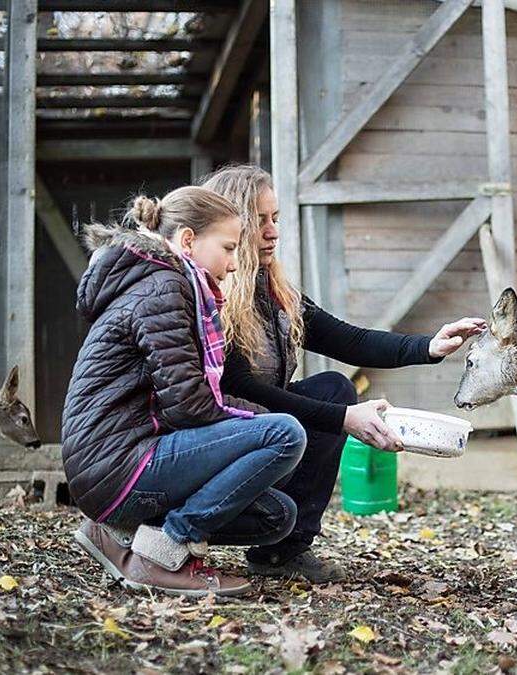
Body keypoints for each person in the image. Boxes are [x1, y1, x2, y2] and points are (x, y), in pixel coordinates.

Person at [201, 165, 486, 583]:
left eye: (275, 219)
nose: (272, 231)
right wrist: (342, 418)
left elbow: (349, 342)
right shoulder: (212, 295)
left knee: (335, 387)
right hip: (218, 441)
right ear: (231, 223)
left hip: (264, 432)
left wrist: (429, 345)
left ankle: (283, 552)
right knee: (333, 402)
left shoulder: (276, 293)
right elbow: (241, 386)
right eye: (259, 220)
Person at [61, 186, 308, 597]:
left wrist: (253, 421)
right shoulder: (164, 287)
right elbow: (190, 405)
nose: (232, 265)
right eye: (228, 248)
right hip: (120, 464)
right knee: (285, 435)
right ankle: (162, 550)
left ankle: (119, 535)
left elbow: (184, 398)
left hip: (122, 460)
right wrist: (261, 421)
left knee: (276, 516)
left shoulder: (167, 283)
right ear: (189, 240)